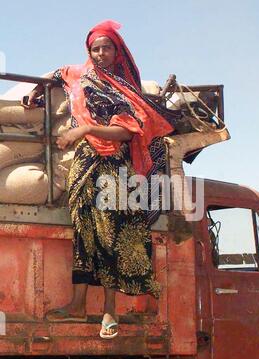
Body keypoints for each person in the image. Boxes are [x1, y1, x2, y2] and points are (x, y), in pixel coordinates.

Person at [22, 20, 176, 339]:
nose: (101, 53)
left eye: (107, 47)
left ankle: (109, 310)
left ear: (117, 51)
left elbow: (127, 131)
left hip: (114, 165)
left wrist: (86, 129)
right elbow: (56, 73)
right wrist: (36, 91)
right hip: (85, 162)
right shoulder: (77, 74)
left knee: (110, 233)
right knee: (83, 230)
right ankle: (77, 304)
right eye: (96, 48)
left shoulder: (123, 89)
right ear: (88, 51)